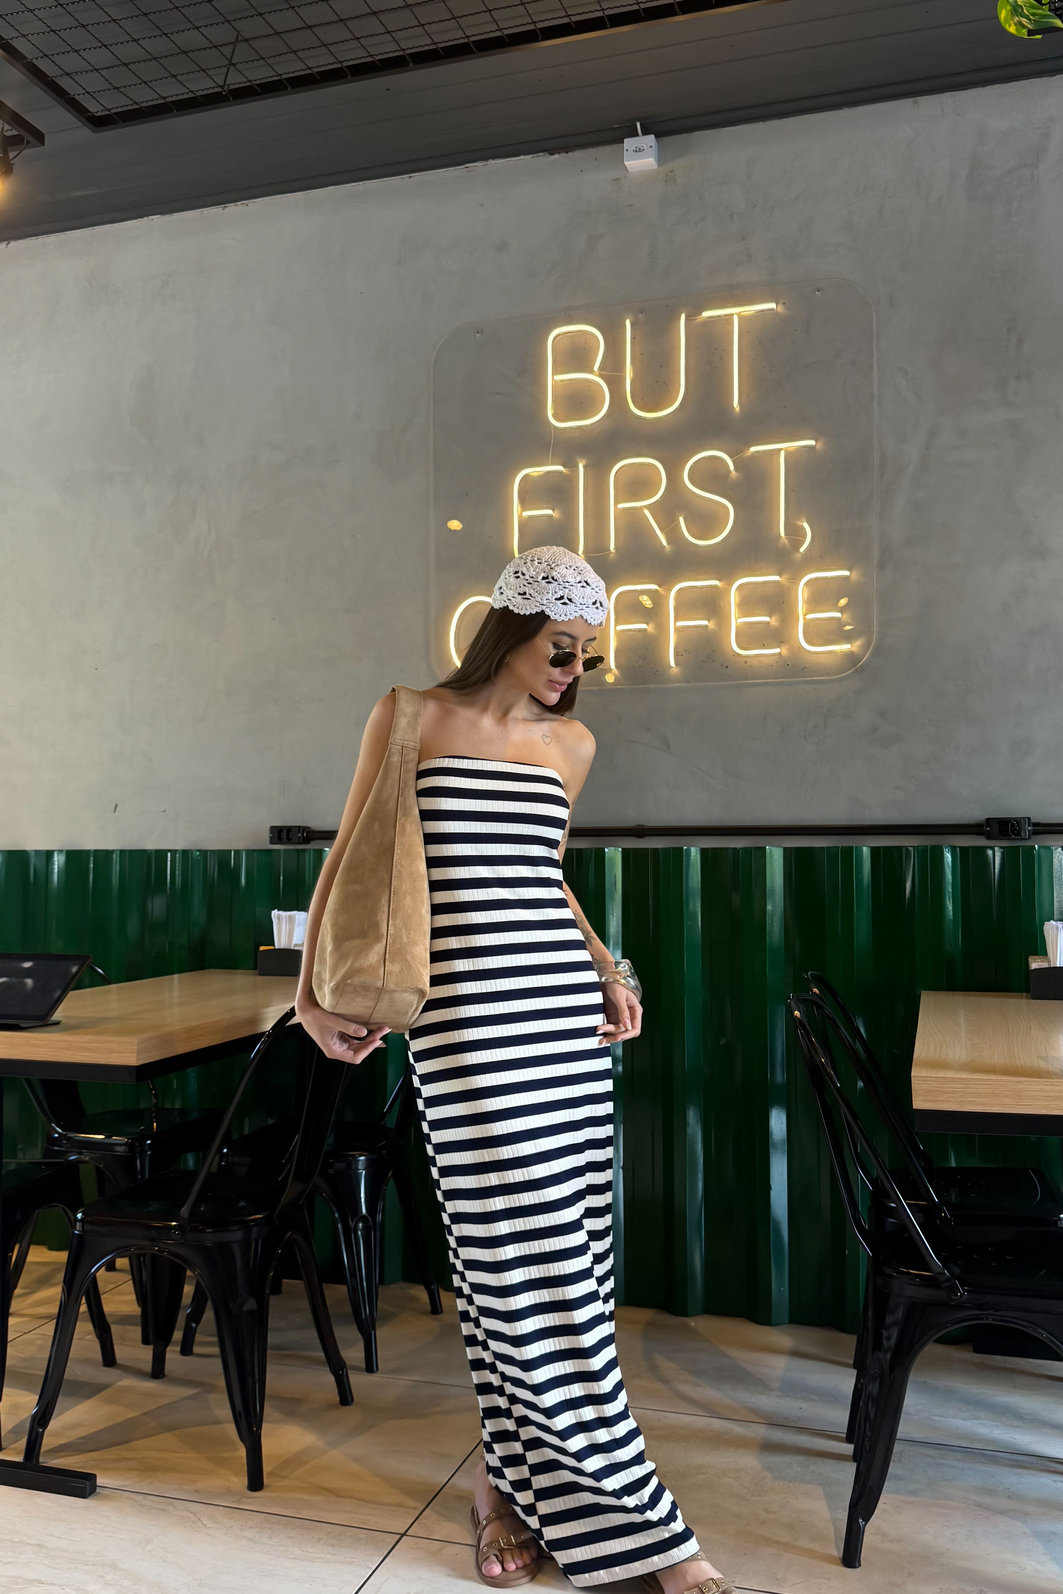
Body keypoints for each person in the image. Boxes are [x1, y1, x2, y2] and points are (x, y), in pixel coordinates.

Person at [296, 546, 734, 1594]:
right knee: (527, 1271)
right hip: (463, 1025)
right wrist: (310, 998)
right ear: (507, 628)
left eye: (585, 657)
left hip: (562, 1023)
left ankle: (504, 1502)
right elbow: (348, 855)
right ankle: (662, 1541)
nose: (569, 672)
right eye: (557, 649)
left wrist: (606, 969)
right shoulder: (409, 714)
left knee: (555, 1267)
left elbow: (544, 877)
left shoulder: (573, 745)